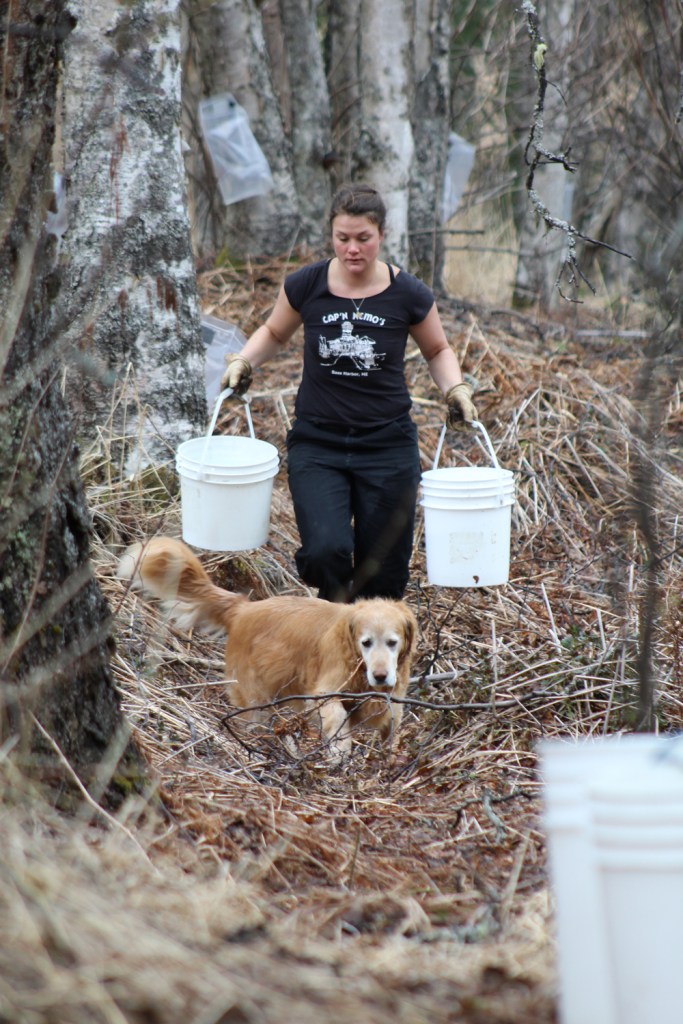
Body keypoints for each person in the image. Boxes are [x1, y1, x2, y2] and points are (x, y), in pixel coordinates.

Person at [220, 184, 477, 603]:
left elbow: (437, 349)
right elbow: (273, 331)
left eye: (363, 239)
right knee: (326, 552)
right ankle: (335, 627)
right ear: (331, 235)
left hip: (388, 445)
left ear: (381, 235)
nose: (352, 249)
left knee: (384, 573)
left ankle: (370, 649)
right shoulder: (307, 284)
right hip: (319, 442)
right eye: (343, 239)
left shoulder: (408, 292)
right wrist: (243, 361)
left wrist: (457, 389)